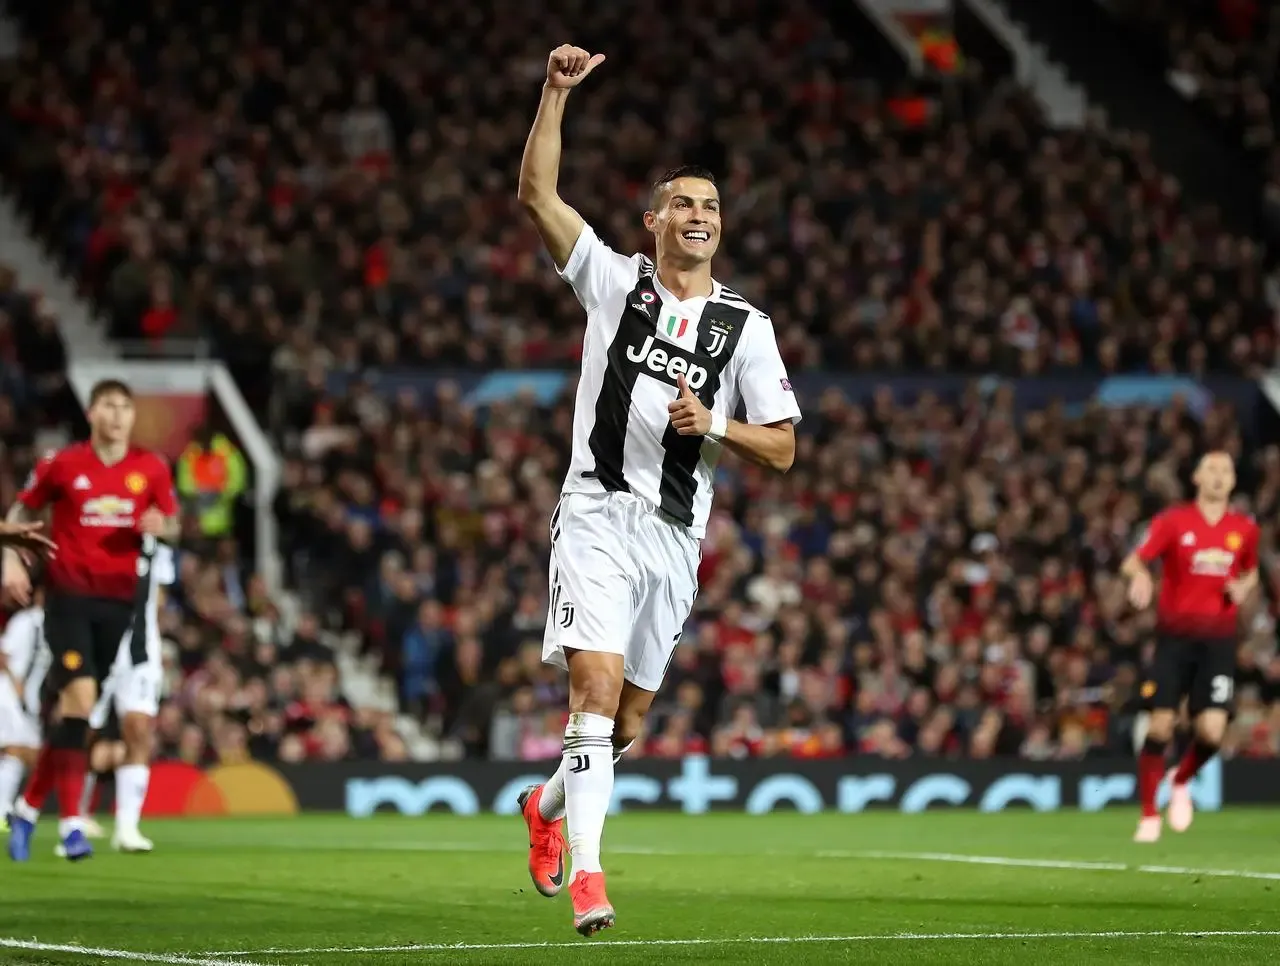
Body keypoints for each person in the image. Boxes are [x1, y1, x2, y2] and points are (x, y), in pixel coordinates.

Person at [513, 45, 801, 936]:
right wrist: (555, 95)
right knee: (592, 692)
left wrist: (712, 425)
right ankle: (593, 882)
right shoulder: (613, 280)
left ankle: (547, 807)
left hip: (675, 538)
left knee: (626, 722)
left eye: (711, 206)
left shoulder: (745, 328)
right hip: (596, 514)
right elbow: (537, 195)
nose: (699, 215)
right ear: (652, 220)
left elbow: (784, 449)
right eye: (683, 202)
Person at [3, 379, 178, 862]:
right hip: (67, 598)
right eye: (109, 405)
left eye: (126, 406)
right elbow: (23, 507)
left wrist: (164, 526)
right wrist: (11, 558)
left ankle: (28, 807)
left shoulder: (151, 468)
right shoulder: (62, 465)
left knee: (75, 720)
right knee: (79, 702)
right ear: (92, 412)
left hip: (118, 607)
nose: (118, 415)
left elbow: (175, 522)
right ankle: (73, 827)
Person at [1121, 451, 1259, 843]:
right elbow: (1134, 560)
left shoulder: (1244, 529)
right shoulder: (1173, 521)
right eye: (1210, 469)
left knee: (1213, 733)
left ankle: (1179, 780)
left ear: (1233, 481)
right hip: (1174, 641)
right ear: (1196, 477)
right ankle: (1149, 815)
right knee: (1161, 723)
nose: (1218, 477)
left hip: (1217, 642)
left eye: (1226, 471)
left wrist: (1244, 587)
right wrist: (1141, 578)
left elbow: (1250, 571)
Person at [80, 539, 177, 853]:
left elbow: (158, 598)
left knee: (137, 729)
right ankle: (74, 814)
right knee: (82, 731)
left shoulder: (155, 546)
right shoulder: (93, 533)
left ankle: (127, 828)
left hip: (139, 651)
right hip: (99, 649)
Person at [0, 592, 49, 820]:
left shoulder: (54, 623)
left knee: (27, 754)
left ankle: (8, 807)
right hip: (9, 694)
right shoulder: (25, 620)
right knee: (15, 750)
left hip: (29, 701)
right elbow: (3, 654)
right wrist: (16, 682)